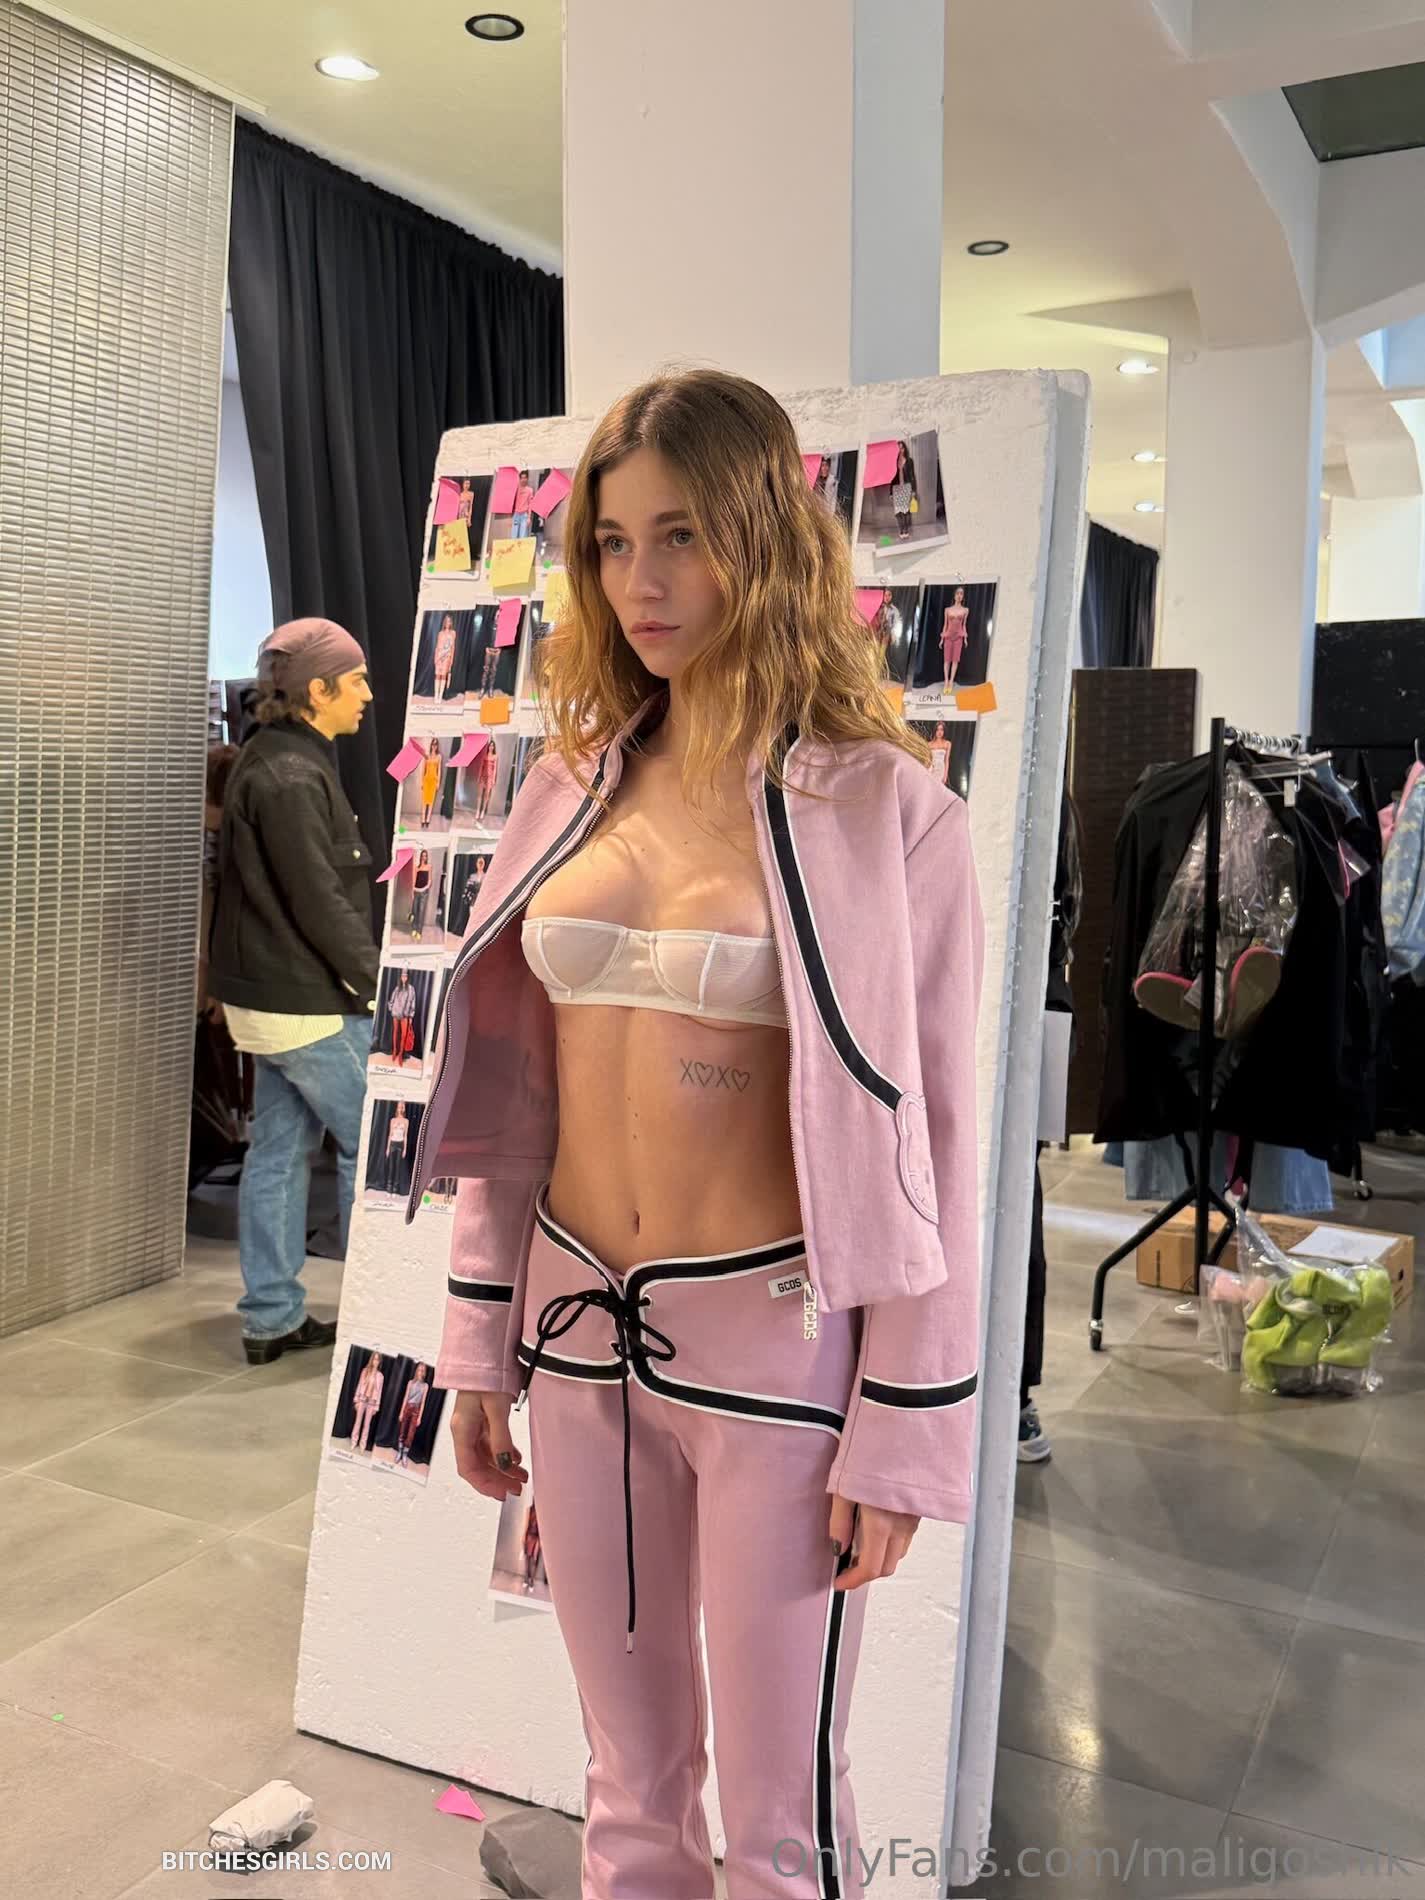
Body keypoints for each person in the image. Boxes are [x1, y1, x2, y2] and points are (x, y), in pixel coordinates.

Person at [408, 370, 983, 1900]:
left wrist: (906, 1428)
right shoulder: (565, 789)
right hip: (577, 1332)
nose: (640, 582)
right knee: (629, 1788)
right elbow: (514, 1106)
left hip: (779, 1359)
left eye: (680, 535)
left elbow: (935, 1137)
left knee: (782, 1823)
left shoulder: (885, 812)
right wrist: (478, 1345)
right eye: (611, 543)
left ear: (765, 539)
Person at [209, 618, 379, 1367]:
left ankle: (272, 1319)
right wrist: (379, 984)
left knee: (278, 1152)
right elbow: (319, 902)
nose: (367, 695)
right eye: (357, 681)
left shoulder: (273, 759)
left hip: (272, 1001)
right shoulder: (290, 776)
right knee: (373, 1148)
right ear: (317, 690)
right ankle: (377, 1316)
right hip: (305, 1005)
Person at [1018, 786, 1083, 1464]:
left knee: (1015, 1209)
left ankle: (1012, 1391)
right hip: (1034, 995)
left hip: (1031, 1001)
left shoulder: (1039, 789)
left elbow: (1062, 908)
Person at [395, 1362, 430, 1466]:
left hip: (416, 1410)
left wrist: (420, 1417)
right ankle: (399, 1452)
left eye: (422, 1370)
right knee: (402, 1431)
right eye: (419, 1370)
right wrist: (401, 1412)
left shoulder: (425, 1386)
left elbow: (423, 1403)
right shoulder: (410, 1383)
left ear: (424, 1373)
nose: (420, 1372)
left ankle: (405, 1454)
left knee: (410, 1434)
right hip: (407, 1407)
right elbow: (405, 1398)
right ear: (416, 1371)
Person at [352, 1351, 384, 1454]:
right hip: (362, 1400)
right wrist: (356, 1399)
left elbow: (379, 1392)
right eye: (374, 1359)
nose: (376, 1361)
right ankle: (354, 1441)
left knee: (367, 1425)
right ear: (371, 1360)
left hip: (371, 1403)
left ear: (379, 1362)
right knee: (357, 1422)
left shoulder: (380, 1376)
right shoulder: (365, 1371)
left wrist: (377, 1407)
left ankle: (363, 1445)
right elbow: (359, 1385)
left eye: (377, 1360)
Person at [941, 585, 970, 692]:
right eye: (957, 593)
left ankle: (951, 681)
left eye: (961, 593)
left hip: (959, 637)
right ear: (954, 595)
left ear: (963, 596)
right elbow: (945, 625)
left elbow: (964, 625)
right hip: (948, 636)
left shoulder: (965, 610)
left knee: (955, 660)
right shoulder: (947, 610)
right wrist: (942, 639)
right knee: (946, 660)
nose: (959, 595)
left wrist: (965, 638)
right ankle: (946, 681)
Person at [386, 969, 418, 1066]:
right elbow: (391, 1000)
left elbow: (413, 1002)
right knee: (395, 1033)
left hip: (405, 1014)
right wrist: (391, 1008)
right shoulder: (397, 988)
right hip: (396, 1013)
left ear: (408, 977)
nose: (404, 978)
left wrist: (411, 1016)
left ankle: (400, 1054)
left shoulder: (411, 989)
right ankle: (395, 1051)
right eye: (402, 976)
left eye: (405, 976)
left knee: (404, 1035)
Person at [890, 437, 918, 540]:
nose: (900, 450)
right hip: (896, 488)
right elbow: (892, 478)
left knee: (906, 510)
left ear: (905, 449)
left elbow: (912, 476)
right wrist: (890, 492)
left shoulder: (909, 461)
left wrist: (914, 490)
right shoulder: (893, 461)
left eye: (902, 448)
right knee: (898, 511)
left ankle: (906, 530)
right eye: (898, 448)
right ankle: (901, 530)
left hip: (906, 487)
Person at [384, 1101, 410, 1195]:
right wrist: (388, 1148)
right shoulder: (393, 1120)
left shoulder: (406, 1121)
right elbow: (390, 1134)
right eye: (399, 1107)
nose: (401, 1109)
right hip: (392, 1144)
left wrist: (405, 1149)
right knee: (391, 1167)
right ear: (397, 1108)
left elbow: (405, 1136)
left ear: (404, 1108)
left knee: (397, 1167)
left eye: (402, 1107)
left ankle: (395, 1189)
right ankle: (389, 1189)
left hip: (400, 1144)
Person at [433, 613, 459, 701]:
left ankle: (440, 696)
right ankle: (436, 695)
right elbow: (437, 646)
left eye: (449, 621)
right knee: (437, 675)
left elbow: (453, 647)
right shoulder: (440, 633)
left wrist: (451, 660)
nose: (448, 623)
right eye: (446, 621)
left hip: (447, 656)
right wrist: (436, 657)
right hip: (439, 655)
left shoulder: (453, 633)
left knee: (444, 675)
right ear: (444, 622)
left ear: (451, 623)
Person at [408, 849, 433, 940]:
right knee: (415, 911)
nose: (424, 857)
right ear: (420, 857)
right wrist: (412, 891)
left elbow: (430, 880)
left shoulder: (429, 867)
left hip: (423, 892)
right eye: (422, 855)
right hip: (416, 890)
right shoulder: (416, 867)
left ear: (427, 857)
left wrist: (425, 888)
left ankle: (419, 931)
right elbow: (414, 879)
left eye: (425, 856)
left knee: (421, 912)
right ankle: (414, 929)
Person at [418, 738, 443, 828]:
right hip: (426, 779)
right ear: (431, 745)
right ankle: (423, 819)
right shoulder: (427, 755)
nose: (434, 746)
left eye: (436, 744)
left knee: (431, 801)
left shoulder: (439, 756)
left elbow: (439, 770)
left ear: (437, 746)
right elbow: (423, 769)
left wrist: (438, 782)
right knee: (425, 800)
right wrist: (422, 782)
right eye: (433, 744)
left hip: (434, 780)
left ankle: (428, 820)